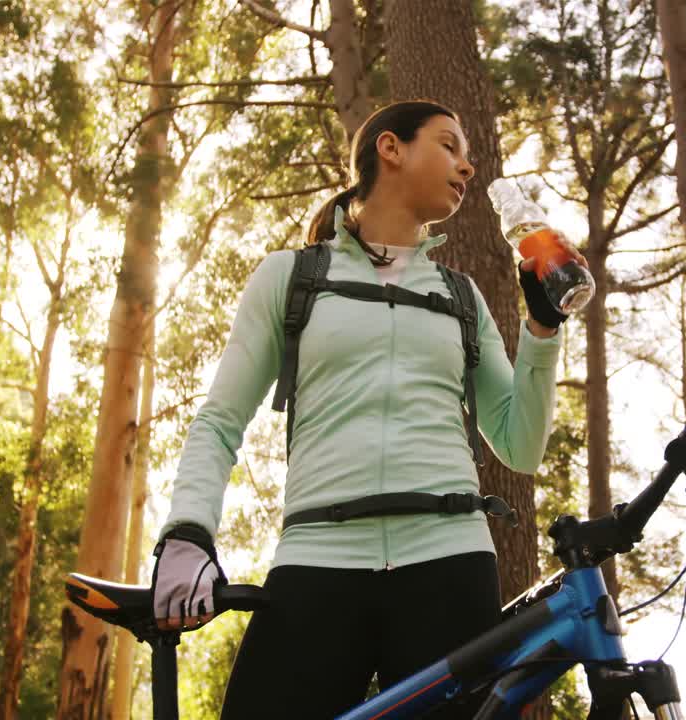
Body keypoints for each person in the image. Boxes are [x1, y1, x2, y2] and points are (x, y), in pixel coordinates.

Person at [148, 100, 585, 718]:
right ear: (391, 148)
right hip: (318, 560)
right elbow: (220, 419)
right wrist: (188, 532)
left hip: (451, 565)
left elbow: (519, 445)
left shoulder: (461, 296)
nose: (468, 164)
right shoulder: (290, 277)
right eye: (449, 145)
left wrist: (543, 330)